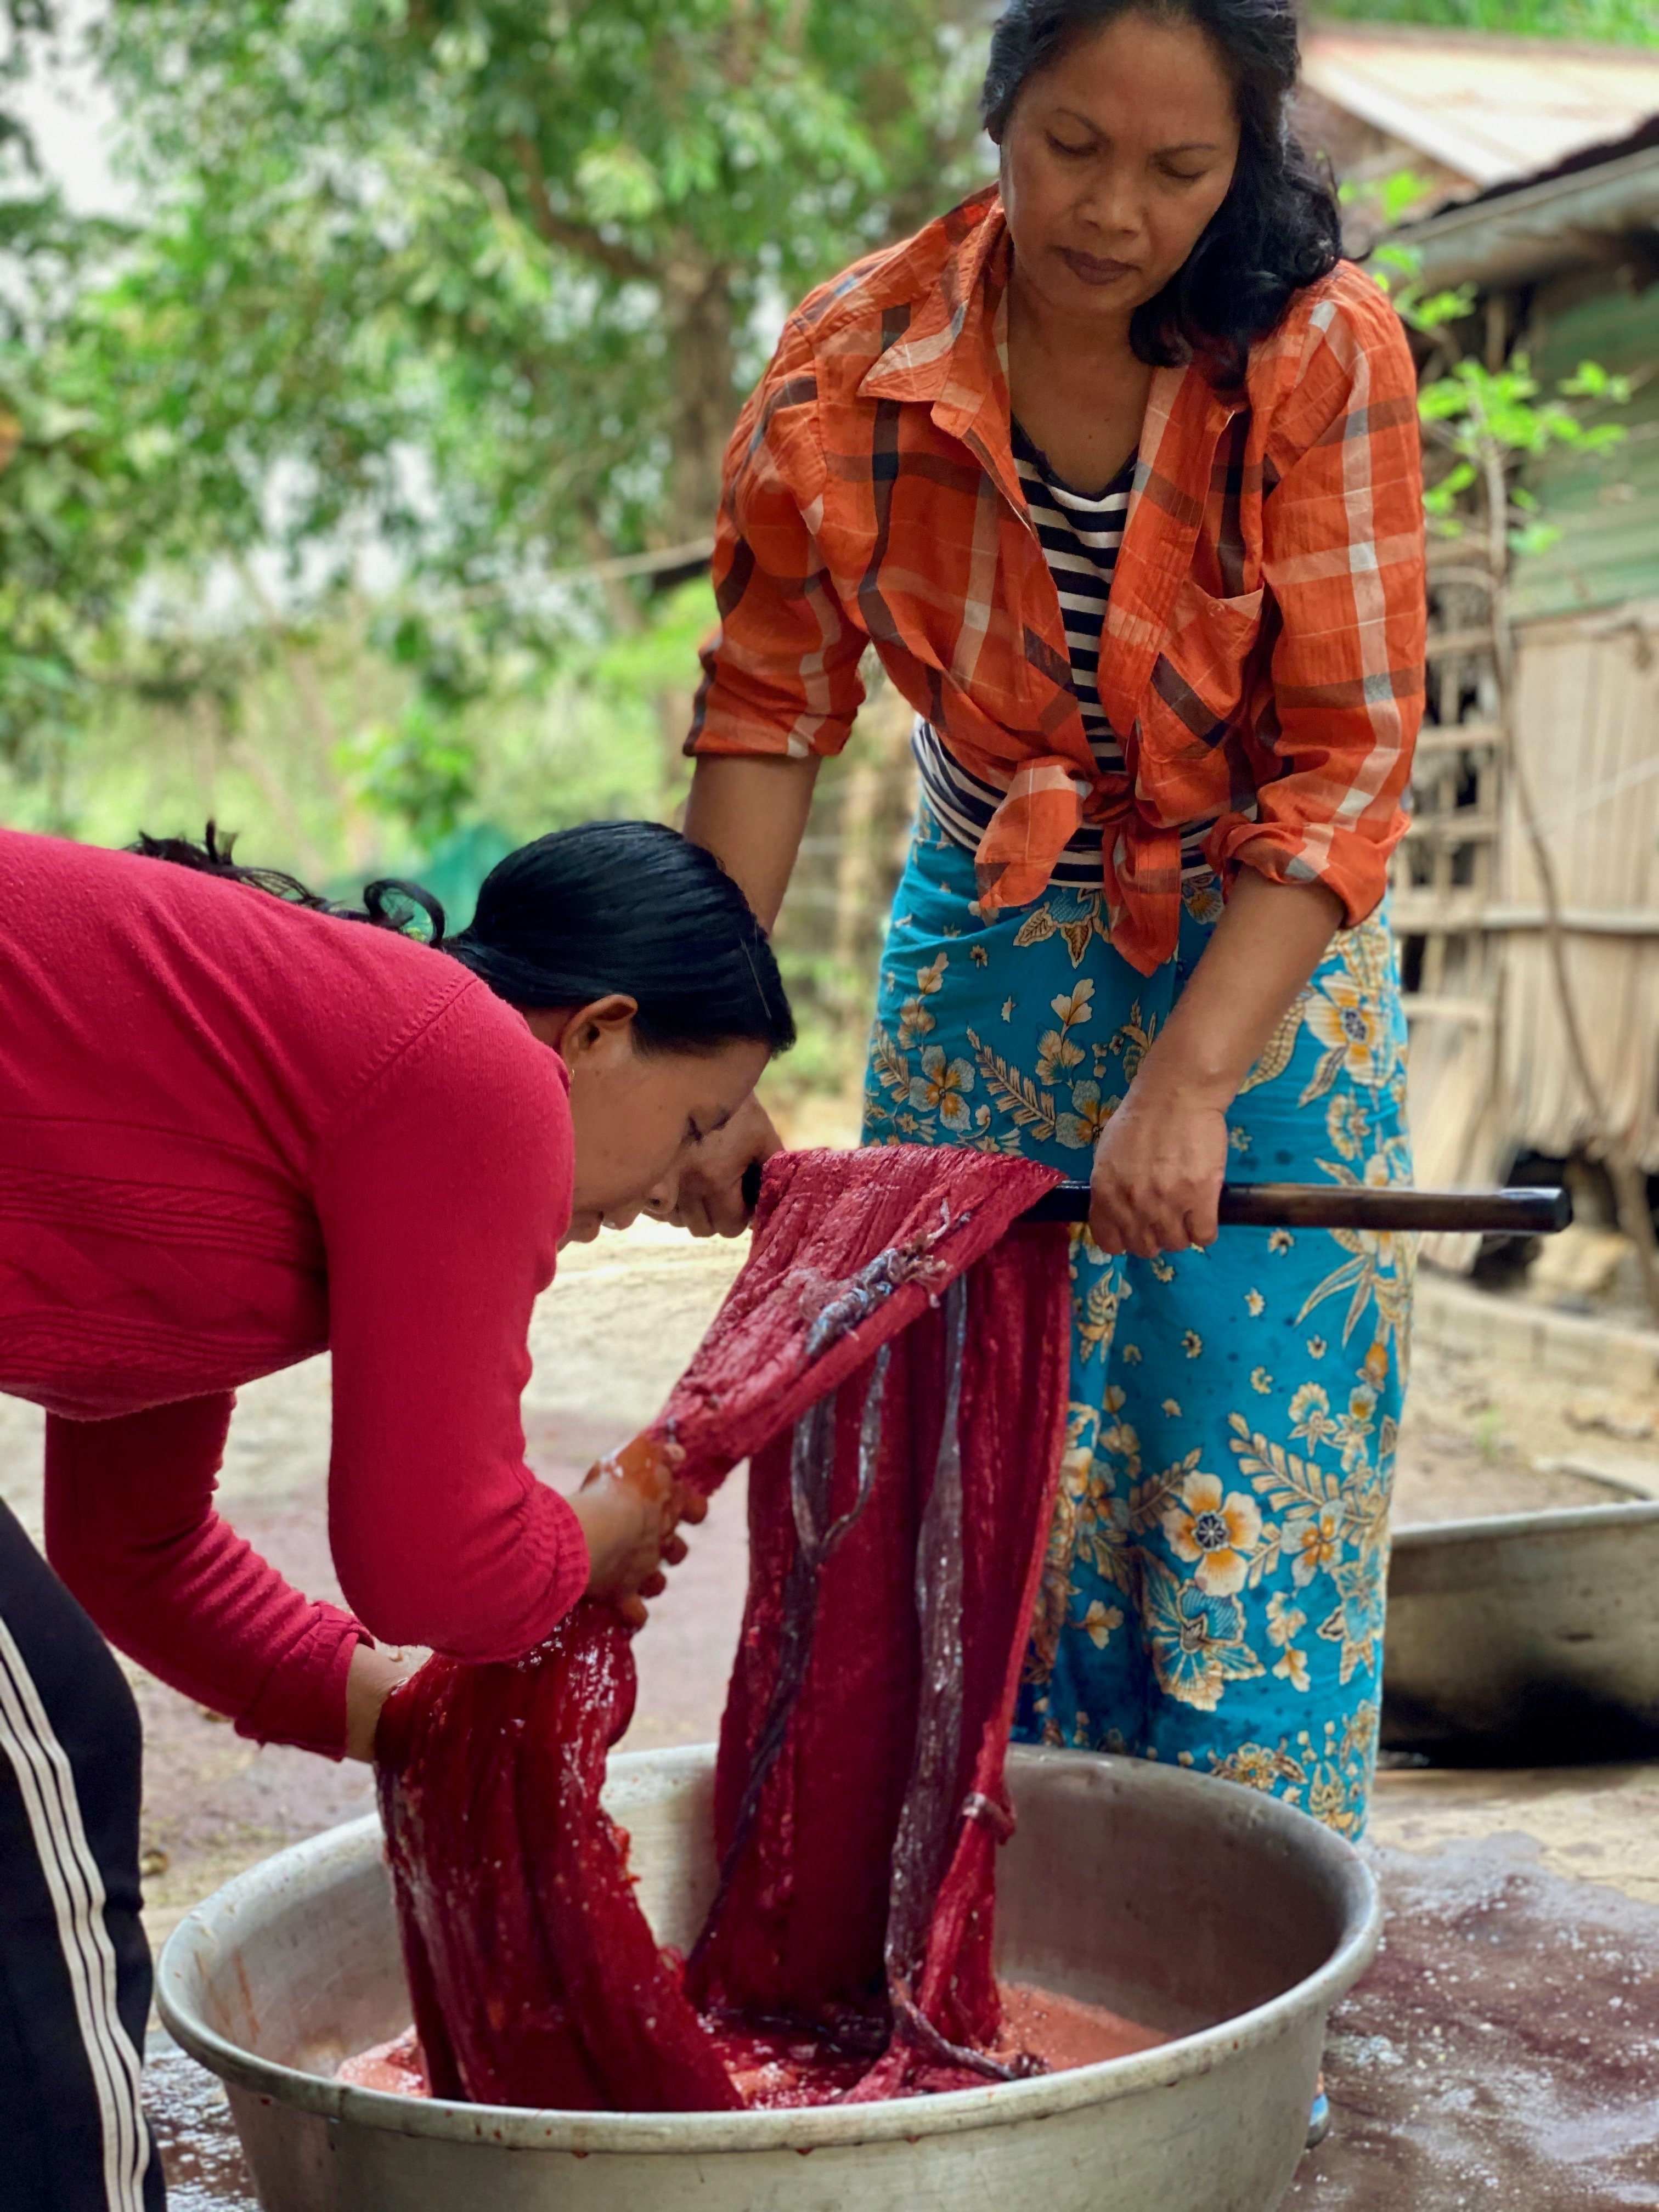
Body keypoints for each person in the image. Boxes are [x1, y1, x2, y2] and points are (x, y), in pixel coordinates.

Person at [680, 0, 1424, 1878]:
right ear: (999, 113)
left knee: (1244, 1479)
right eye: (1071, 145)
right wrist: (701, 1068)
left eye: (1180, 168)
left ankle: (1236, 2010)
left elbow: (1343, 772)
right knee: (975, 1475)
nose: (1114, 209)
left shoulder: (1318, 349)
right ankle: (991, 1997)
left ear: (1244, 158)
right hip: (991, 931)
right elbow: (769, 709)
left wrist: (1188, 1081)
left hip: (1265, 954)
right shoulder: (851, 358)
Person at [0, 817, 793, 2212]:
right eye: (691, 1123)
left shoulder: (282, 1086)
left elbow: (136, 1550)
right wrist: (595, 1534)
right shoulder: (475, 1067)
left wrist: (412, 1723)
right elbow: (437, 1560)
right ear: (598, 1030)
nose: (680, 1192)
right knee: (50, 1746)